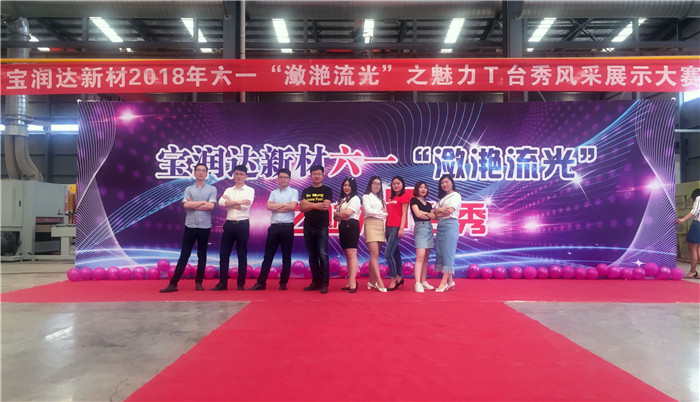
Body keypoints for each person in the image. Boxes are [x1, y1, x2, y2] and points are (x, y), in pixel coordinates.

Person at [160, 163, 217, 293]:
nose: (201, 173)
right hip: (190, 225)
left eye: (203, 171)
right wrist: (202, 202)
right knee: (184, 255)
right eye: (198, 170)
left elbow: (210, 207)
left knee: (202, 255)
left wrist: (193, 204)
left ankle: (199, 283)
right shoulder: (188, 189)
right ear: (194, 173)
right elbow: (186, 205)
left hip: (205, 226)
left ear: (206, 174)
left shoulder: (212, 189)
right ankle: (173, 284)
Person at [249, 168, 298, 291]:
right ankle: (261, 283)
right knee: (268, 256)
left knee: (286, 257)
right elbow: (269, 206)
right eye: (281, 177)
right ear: (278, 179)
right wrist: (284, 205)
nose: (283, 179)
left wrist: (277, 207)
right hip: (274, 227)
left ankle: (283, 283)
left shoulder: (294, 192)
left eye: (285, 177)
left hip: (287, 227)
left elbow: (292, 206)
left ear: (289, 179)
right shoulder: (273, 192)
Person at [213, 165, 255, 291]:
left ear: (246, 176)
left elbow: (244, 207)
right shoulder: (228, 190)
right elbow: (221, 203)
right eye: (236, 174)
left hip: (243, 224)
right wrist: (239, 201)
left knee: (242, 254)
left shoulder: (250, 190)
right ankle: (222, 283)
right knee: (224, 254)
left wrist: (230, 203)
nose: (239, 176)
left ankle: (240, 284)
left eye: (241, 174)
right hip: (229, 224)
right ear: (233, 176)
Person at [300, 164, 333, 294]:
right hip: (308, 226)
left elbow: (325, 206)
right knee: (312, 256)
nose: (317, 176)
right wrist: (316, 205)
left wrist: (309, 204)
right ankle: (316, 282)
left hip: (322, 226)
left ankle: (324, 283)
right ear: (310, 176)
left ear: (323, 176)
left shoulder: (327, 190)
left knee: (322, 255)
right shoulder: (306, 191)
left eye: (319, 174)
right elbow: (302, 208)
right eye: (314, 174)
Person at [431, 174, 462, 292]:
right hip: (441, 226)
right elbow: (434, 214)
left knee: (448, 253)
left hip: (450, 225)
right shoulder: (443, 198)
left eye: (446, 182)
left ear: (452, 183)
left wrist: (438, 211)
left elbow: (449, 212)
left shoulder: (456, 195)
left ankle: (443, 283)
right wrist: (439, 211)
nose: (444, 184)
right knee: (442, 253)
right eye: (442, 183)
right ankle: (450, 281)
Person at [333, 177, 361, 293]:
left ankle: (353, 282)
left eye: (349, 185)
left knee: (352, 253)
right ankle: (350, 281)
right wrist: (340, 215)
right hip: (342, 226)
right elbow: (335, 217)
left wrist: (340, 215)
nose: (347, 187)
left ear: (353, 187)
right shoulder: (342, 200)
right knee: (347, 254)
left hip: (352, 225)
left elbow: (348, 213)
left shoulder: (355, 199)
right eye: (345, 185)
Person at [362, 176, 388, 292]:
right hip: (371, 225)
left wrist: (379, 213)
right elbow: (368, 211)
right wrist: (380, 212)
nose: (377, 186)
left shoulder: (381, 199)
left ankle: (371, 281)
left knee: (375, 256)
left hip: (380, 226)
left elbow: (386, 214)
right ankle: (379, 281)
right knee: (374, 254)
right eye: (374, 183)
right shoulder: (366, 196)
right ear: (370, 184)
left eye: (379, 184)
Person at [410, 181, 436, 293]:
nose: (423, 189)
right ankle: (417, 283)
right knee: (420, 257)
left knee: (426, 257)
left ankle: (423, 281)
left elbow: (434, 216)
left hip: (429, 228)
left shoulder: (428, 204)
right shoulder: (414, 200)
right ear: (417, 189)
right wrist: (428, 215)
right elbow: (418, 214)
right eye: (421, 187)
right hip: (420, 228)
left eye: (425, 187)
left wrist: (426, 214)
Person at [385, 176, 409, 291]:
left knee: (388, 254)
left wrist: (401, 228)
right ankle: (400, 276)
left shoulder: (404, 197)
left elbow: (404, 214)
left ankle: (394, 278)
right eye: (394, 183)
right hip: (388, 228)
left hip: (396, 228)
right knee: (395, 254)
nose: (396, 185)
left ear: (402, 184)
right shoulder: (391, 198)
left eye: (398, 183)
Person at [676, 188, 700, 279]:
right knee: (698, 249)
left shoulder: (699, 197)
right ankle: (693, 271)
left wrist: (682, 219)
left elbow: (694, 211)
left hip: (697, 224)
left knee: (692, 248)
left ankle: (692, 271)